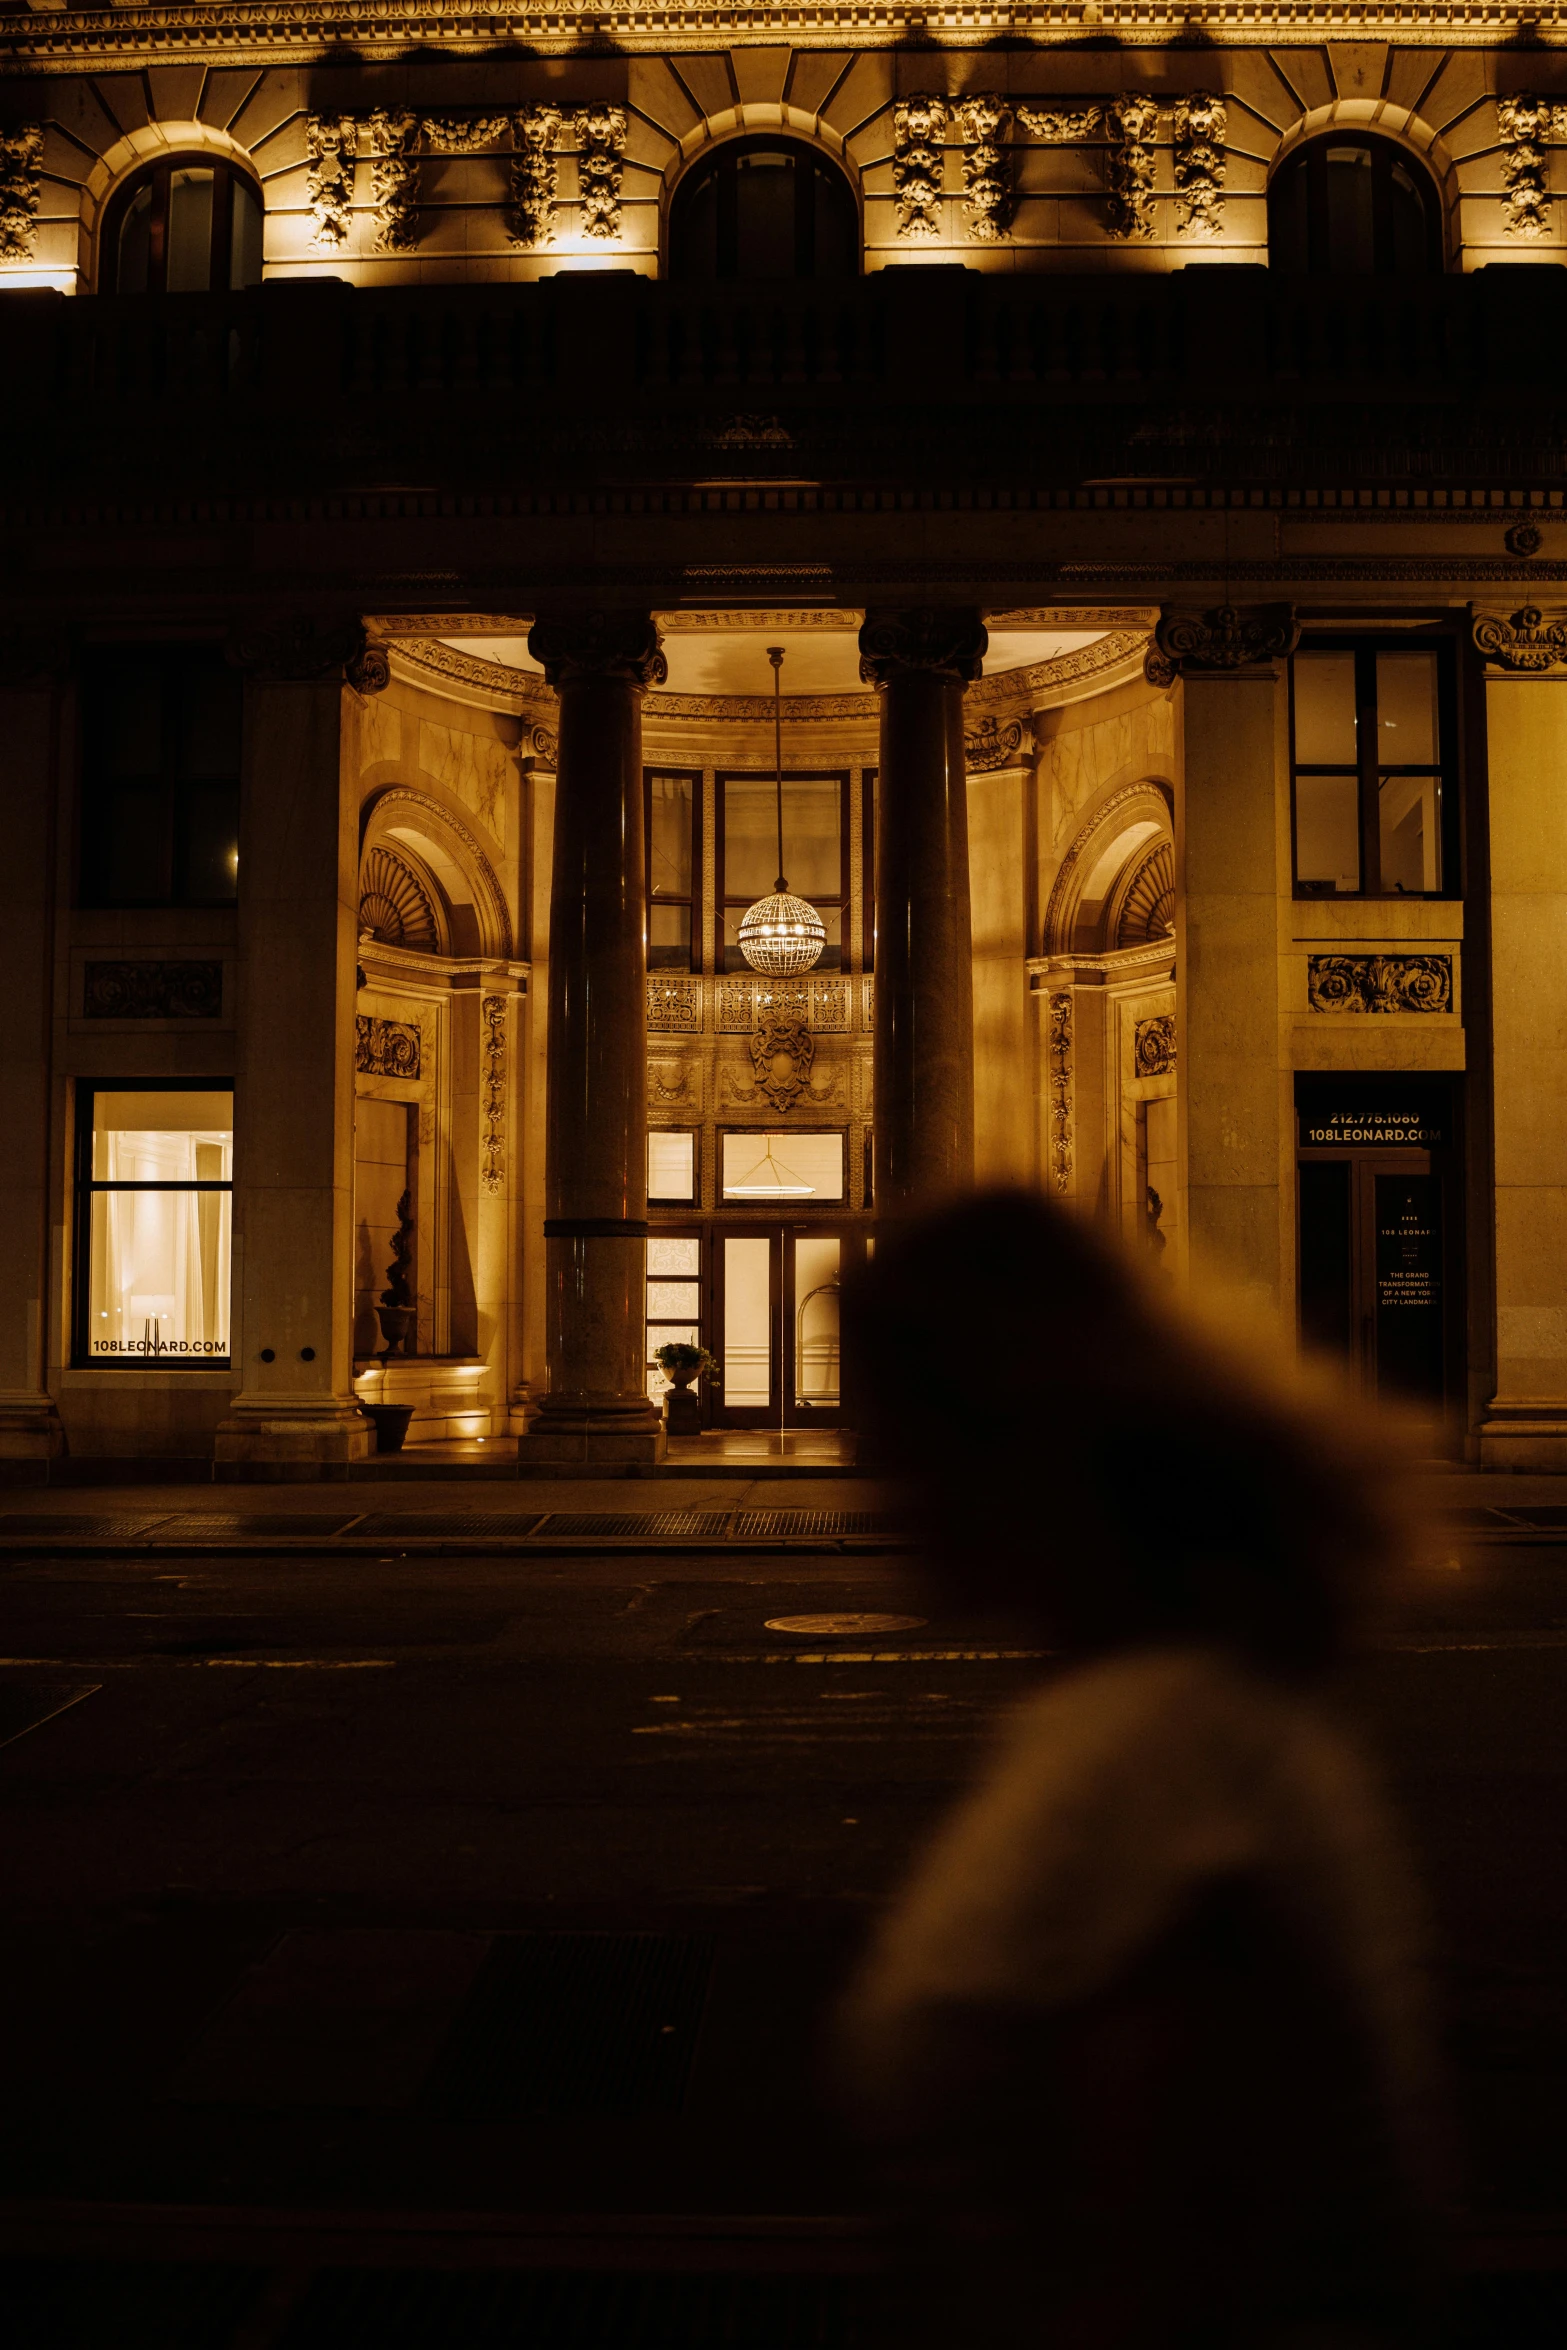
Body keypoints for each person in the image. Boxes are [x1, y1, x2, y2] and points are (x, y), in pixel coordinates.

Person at [837, 1191, 1448, 2350]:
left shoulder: (1162, 1761)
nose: (865, 1489)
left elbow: (1176, 2268)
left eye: (886, 1437)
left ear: (993, 1436)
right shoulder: (1139, 1710)